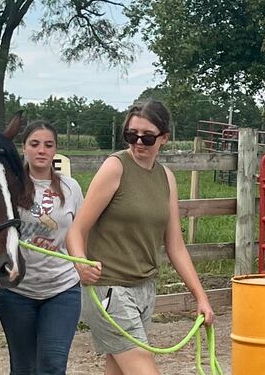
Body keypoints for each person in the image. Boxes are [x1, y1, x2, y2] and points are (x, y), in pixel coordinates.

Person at [66, 99, 214, 375]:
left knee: (119, 369)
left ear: (164, 138)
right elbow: (77, 230)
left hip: (144, 288)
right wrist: (80, 263)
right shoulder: (115, 168)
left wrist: (201, 297)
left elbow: (175, 246)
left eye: (147, 137)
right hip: (110, 289)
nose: (139, 143)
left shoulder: (166, 177)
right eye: (131, 136)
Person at [0, 121, 84, 375]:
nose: (41, 150)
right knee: (23, 368)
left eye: (48, 145)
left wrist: (82, 263)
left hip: (62, 289)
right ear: (24, 148)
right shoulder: (9, 188)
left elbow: (81, 232)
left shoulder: (71, 188)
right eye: (34, 144)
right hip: (18, 290)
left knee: (53, 366)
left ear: (55, 150)